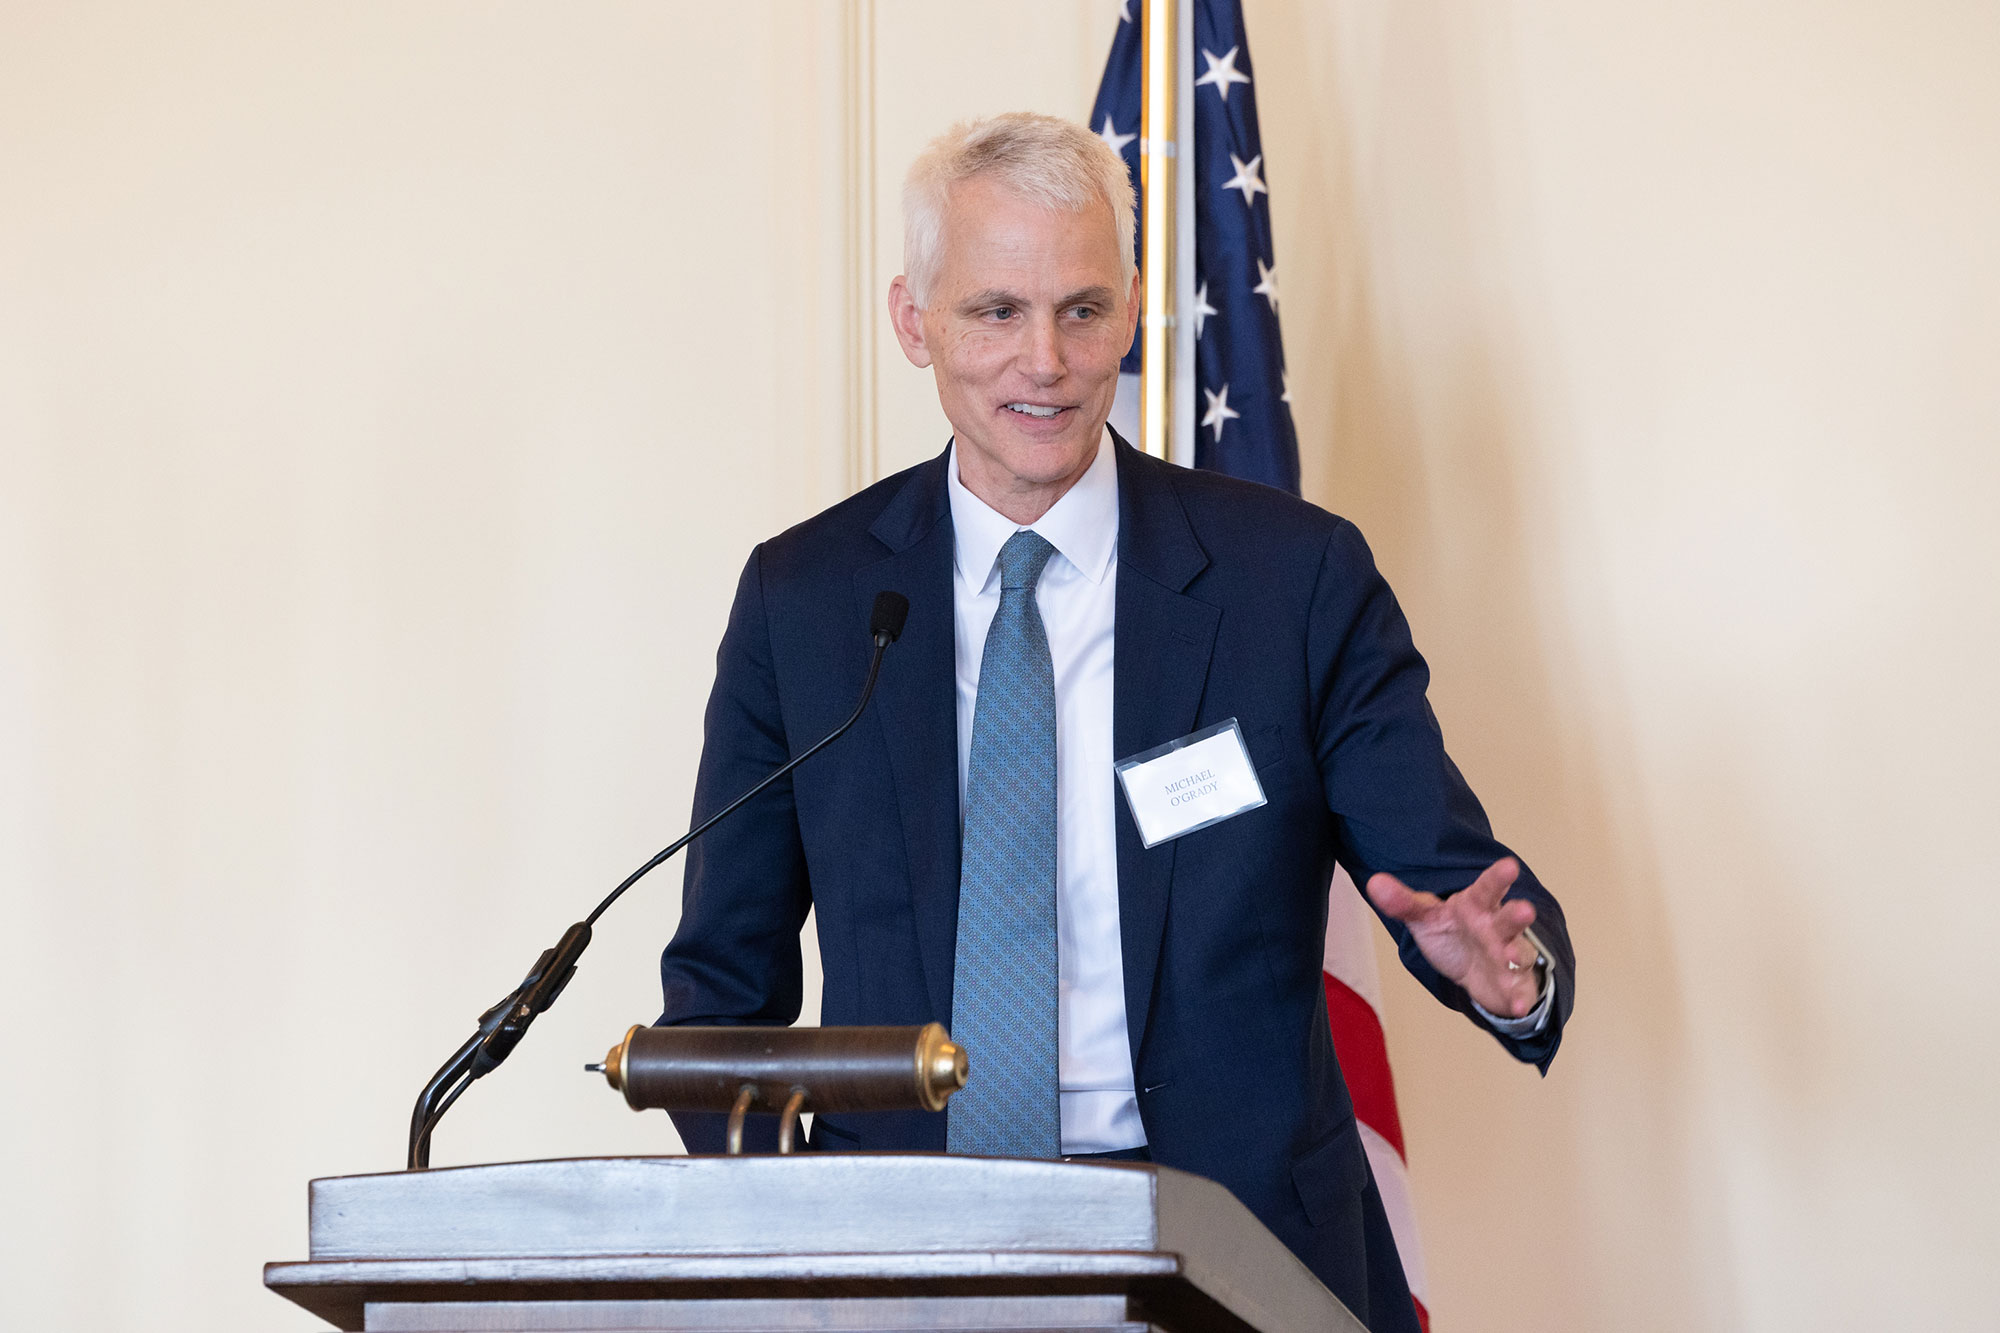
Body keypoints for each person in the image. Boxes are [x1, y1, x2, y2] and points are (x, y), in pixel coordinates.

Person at [659, 112, 1573, 1333]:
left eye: (1081, 309)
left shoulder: (1289, 581)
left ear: (1134, 309)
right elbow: (719, 1002)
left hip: (1239, 1254)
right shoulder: (807, 601)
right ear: (913, 321)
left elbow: (1456, 882)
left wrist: (1505, 973)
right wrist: (810, 1251)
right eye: (995, 311)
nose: (1043, 359)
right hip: (902, 1263)